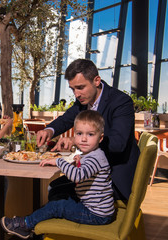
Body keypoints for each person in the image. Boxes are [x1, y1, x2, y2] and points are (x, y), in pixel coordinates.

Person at [36, 59, 139, 201]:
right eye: (73, 89)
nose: (76, 94)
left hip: (113, 179)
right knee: (54, 186)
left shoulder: (121, 102)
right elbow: (66, 119)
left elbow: (117, 144)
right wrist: (49, 130)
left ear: (96, 81)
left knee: (55, 191)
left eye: (80, 87)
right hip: (91, 170)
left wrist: (75, 140)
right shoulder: (83, 101)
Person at [1, 110, 114, 239]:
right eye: (79, 133)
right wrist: (79, 161)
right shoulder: (93, 155)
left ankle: (25, 224)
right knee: (57, 193)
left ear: (100, 138)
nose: (83, 138)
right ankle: (38, 224)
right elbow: (86, 172)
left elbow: (77, 176)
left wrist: (59, 161)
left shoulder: (95, 158)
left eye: (90, 134)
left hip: (95, 215)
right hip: (94, 209)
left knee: (57, 205)